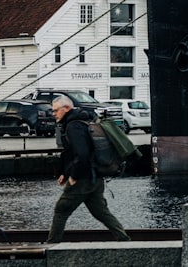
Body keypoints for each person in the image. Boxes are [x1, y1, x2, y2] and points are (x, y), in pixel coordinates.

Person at [47, 95, 130, 243]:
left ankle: (52, 245)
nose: (53, 114)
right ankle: (123, 239)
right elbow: (71, 152)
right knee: (101, 212)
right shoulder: (84, 121)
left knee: (61, 210)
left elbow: (82, 154)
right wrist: (64, 173)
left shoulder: (74, 126)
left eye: (55, 110)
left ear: (66, 108)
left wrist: (73, 176)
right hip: (95, 176)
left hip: (83, 178)